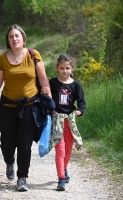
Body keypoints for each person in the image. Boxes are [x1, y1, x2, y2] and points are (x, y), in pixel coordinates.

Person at [0, 24, 51, 191]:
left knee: (25, 144)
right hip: (7, 106)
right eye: (11, 36)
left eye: (17, 36)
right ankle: (9, 161)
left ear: (23, 38)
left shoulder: (33, 55)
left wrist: (49, 102)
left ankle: (22, 177)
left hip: (30, 106)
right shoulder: (3, 59)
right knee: (7, 143)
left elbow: (43, 80)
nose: (14, 39)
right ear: (8, 40)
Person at [48, 54, 86, 191]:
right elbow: (48, 99)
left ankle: (64, 169)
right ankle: (61, 178)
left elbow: (82, 102)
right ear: (57, 68)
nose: (65, 71)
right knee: (60, 150)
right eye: (62, 68)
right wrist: (49, 110)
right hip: (57, 120)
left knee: (68, 150)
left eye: (67, 68)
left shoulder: (76, 85)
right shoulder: (53, 83)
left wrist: (80, 111)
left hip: (69, 121)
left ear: (72, 69)